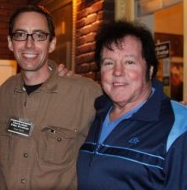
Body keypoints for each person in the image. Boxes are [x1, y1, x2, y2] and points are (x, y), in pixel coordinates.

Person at [0, 5, 102, 190]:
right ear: (10, 42)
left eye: (39, 35)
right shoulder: (4, 93)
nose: (29, 44)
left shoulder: (86, 94)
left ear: (51, 43)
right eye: (20, 35)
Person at [77, 20, 187, 190]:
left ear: (150, 70)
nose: (118, 72)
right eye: (109, 63)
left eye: (129, 62)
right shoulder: (98, 116)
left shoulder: (178, 126)